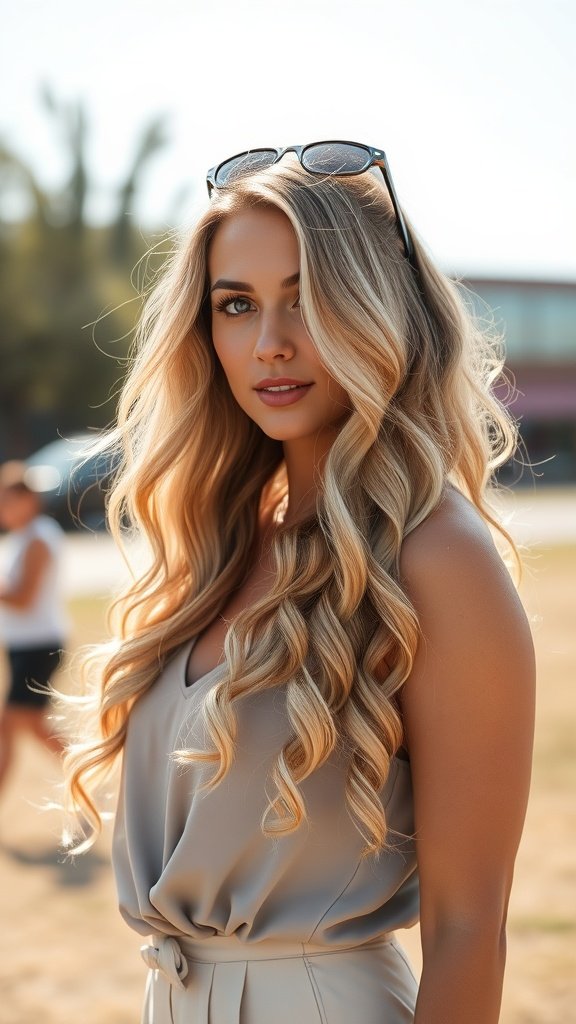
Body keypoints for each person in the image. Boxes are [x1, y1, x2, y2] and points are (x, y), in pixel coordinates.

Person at [61, 142, 535, 1023]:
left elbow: (473, 927)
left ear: (381, 313)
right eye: (237, 305)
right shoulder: (224, 543)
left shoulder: (437, 558)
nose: (270, 344)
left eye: (309, 300)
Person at [0, 462, 68, 799]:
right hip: (23, 646)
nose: (2, 510)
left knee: (10, 725)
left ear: (28, 500)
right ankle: (85, 773)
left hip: (39, 646)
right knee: (31, 725)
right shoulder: (23, 536)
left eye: (7, 502)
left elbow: (23, 598)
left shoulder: (40, 537)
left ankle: (85, 774)